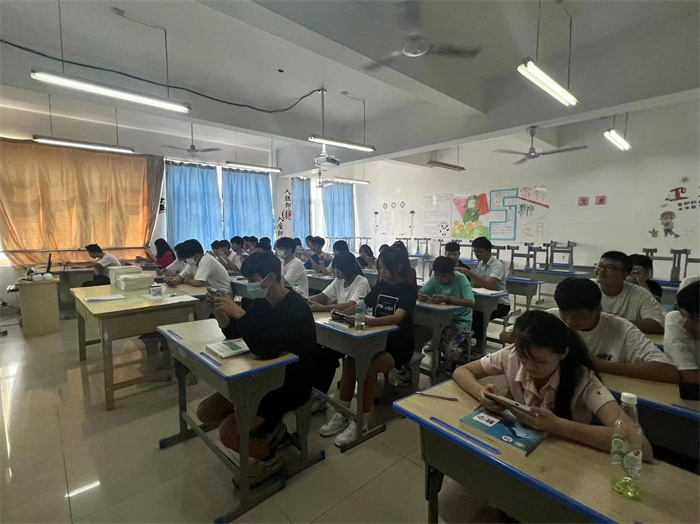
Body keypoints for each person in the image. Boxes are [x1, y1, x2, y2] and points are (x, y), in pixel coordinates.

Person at [453, 310, 654, 460]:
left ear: (563, 354)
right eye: (523, 357)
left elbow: (640, 445)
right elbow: (461, 371)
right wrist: (481, 392)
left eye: (540, 361)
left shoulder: (583, 380)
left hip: (567, 458)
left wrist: (557, 425)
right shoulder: (511, 355)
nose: (529, 366)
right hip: (522, 452)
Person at [196, 252, 319, 486]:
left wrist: (239, 314)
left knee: (228, 433)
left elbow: (266, 348)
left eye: (252, 280)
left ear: (270, 278)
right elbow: (237, 333)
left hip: (288, 385)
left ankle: (270, 457)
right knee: (205, 412)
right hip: (259, 375)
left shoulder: (296, 308)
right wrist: (221, 312)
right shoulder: (259, 301)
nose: (249, 285)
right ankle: (269, 431)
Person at [319, 247, 417, 447]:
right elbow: (361, 304)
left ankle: (360, 422)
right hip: (375, 339)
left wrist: (366, 321)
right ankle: (343, 413)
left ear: (398, 267)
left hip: (397, 345)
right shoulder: (381, 286)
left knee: (368, 365)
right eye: (380, 267)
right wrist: (343, 313)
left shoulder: (408, 289)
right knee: (350, 360)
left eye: (385, 267)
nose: (382, 271)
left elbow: (397, 318)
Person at [550, 278, 678, 383]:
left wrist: (600, 365)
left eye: (579, 317)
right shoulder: (550, 319)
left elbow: (668, 371)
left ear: (598, 309)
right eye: (564, 314)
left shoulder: (621, 328)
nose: (569, 322)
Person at [419, 256, 475, 371]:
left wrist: (447, 299)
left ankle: (451, 364)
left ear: (452, 273)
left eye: (443, 276)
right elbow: (421, 292)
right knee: (419, 334)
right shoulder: (435, 279)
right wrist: (421, 295)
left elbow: (471, 302)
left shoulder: (461, 279)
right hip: (440, 320)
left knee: (448, 346)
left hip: (461, 321)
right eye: (436, 275)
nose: (439, 279)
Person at [595, 251, 664, 334]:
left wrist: (614, 323)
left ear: (625, 274)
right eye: (599, 265)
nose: (601, 270)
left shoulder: (641, 294)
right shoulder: (586, 288)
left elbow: (657, 325)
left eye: (609, 268)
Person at [459, 236, 510, 343]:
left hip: (500, 304)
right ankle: (464, 341)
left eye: (480, 252)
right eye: (475, 252)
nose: (477, 254)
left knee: (479, 315)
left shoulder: (497, 265)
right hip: (485, 301)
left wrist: (471, 274)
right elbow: (478, 283)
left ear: (488, 251)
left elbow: (490, 285)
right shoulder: (481, 263)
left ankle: (480, 343)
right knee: (465, 311)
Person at [664, 278, 700, 385]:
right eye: (684, 315)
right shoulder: (677, 320)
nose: (685, 323)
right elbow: (689, 377)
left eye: (694, 317)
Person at [165, 239, 230, 293]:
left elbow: (198, 282)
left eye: (187, 258)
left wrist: (188, 280)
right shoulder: (193, 263)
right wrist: (173, 281)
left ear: (197, 255)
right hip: (209, 291)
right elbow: (181, 276)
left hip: (223, 293)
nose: (185, 261)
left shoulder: (207, 259)